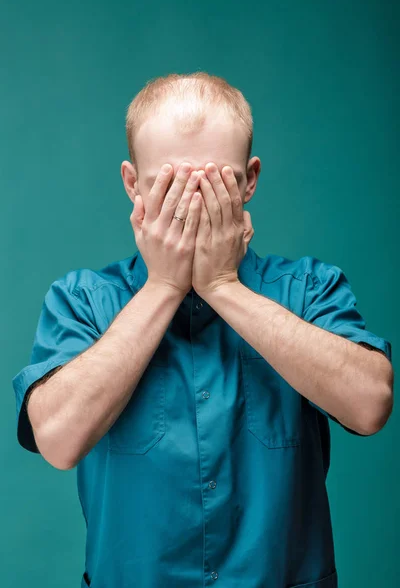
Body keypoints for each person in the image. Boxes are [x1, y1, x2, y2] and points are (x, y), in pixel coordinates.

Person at [12, 72, 393, 588]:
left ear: (250, 180)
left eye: (216, 186)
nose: (192, 207)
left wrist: (222, 285)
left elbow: (371, 404)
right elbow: (56, 440)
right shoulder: (81, 300)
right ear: (132, 183)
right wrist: (164, 286)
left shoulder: (308, 288)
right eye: (168, 187)